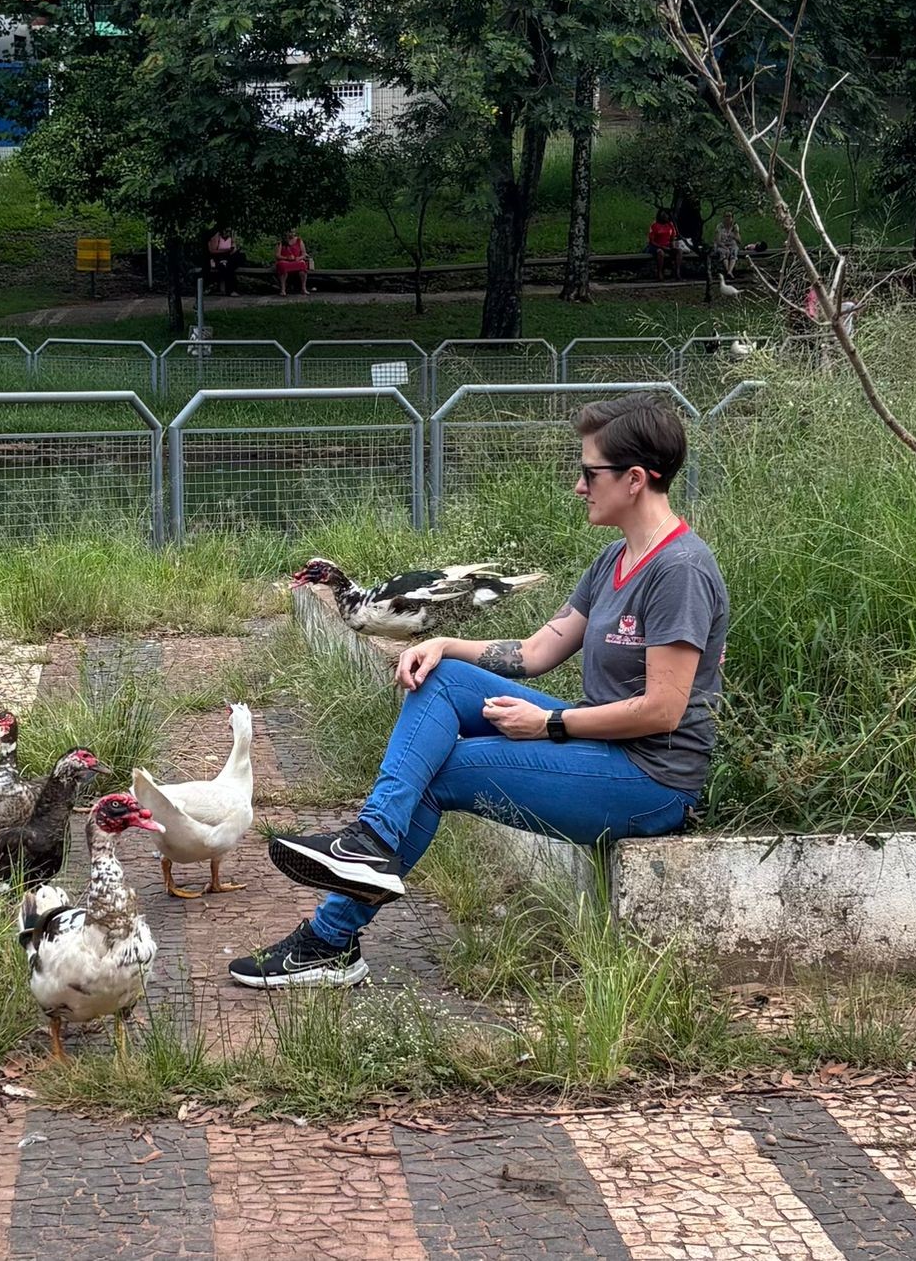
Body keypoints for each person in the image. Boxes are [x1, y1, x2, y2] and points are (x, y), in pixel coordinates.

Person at [230, 392, 729, 989]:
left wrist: (550, 725)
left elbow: (663, 710)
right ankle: (369, 841)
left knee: (439, 771)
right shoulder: (614, 560)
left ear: (636, 479)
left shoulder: (679, 571)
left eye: (590, 472)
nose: (578, 486)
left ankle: (330, 938)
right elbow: (535, 652)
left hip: (651, 780)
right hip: (603, 748)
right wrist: (443, 644)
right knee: (441, 677)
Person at [275, 228, 310, 296]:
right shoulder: (281, 242)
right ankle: (283, 289)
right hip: (285, 261)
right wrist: (287, 258)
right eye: (290, 232)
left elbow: (304, 254)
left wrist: (299, 258)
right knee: (282, 265)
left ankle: (303, 288)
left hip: (296, 261)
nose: (292, 234)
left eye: (293, 232)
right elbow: (277, 255)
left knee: (302, 265)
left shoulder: (299, 241)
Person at [646, 209, 679, 280]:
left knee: (679, 251)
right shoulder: (654, 226)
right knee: (660, 252)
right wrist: (662, 247)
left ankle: (677, 272)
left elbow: (672, 239)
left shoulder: (670, 226)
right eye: (663, 215)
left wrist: (672, 247)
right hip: (656, 246)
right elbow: (652, 241)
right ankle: (660, 272)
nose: (665, 217)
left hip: (667, 245)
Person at [207, 228, 240, 297]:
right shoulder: (216, 237)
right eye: (226, 231)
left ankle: (231, 290)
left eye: (228, 231)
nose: (227, 233)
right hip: (219, 258)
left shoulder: (231, 238)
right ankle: (230, 290)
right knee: (225, 267)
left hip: (229, 258)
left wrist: (232, 250)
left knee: (229, 266)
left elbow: (234, 249)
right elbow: (212, 251)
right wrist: (225, 251)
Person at [713, 211, 742, 277]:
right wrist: (725, 247)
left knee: (734, 251)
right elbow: (718, 241)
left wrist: (734, 236)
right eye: (726, 216)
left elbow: (739, 241)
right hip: (722, 245)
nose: (728, 218)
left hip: (732, 245)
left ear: (732, 218)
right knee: (724, 252)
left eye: (729, 216)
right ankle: (728, 271)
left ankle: (729, 271)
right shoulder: (720, 227)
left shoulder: (735, 226)